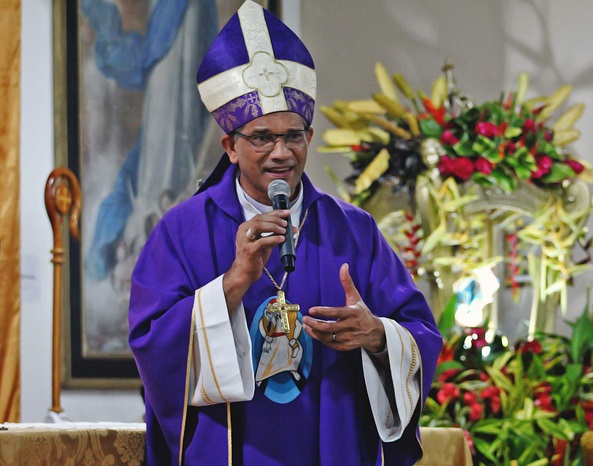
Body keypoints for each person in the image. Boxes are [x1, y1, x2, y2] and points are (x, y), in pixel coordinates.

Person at [128, 1, 442, 465]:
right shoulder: (182, 231)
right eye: (261, 137)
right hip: (232, 449)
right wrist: (233, 282)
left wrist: (378, 335)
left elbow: (421, 334)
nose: (281, 153)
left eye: (293, 135)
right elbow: (153, 346)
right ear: (230, 147)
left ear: (310, 139)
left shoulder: (353, 231)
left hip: (331, 444)